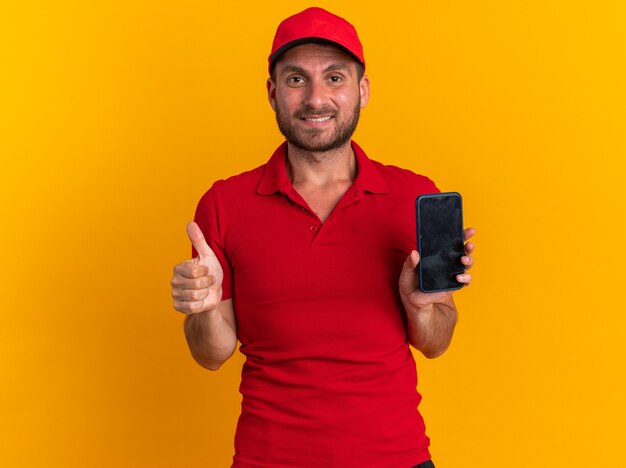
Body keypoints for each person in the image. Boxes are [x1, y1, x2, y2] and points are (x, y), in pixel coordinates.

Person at [170, 7, 475, 468]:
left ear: (362, 90)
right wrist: (206, 307)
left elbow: (436, 342)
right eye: (296, 80)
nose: (316, 98)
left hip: (396, 458)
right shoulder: (223, 204)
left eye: (335, 78)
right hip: (268, 459)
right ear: (273, 93)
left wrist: (422, 308)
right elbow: (211, 354)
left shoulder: (416, 196)